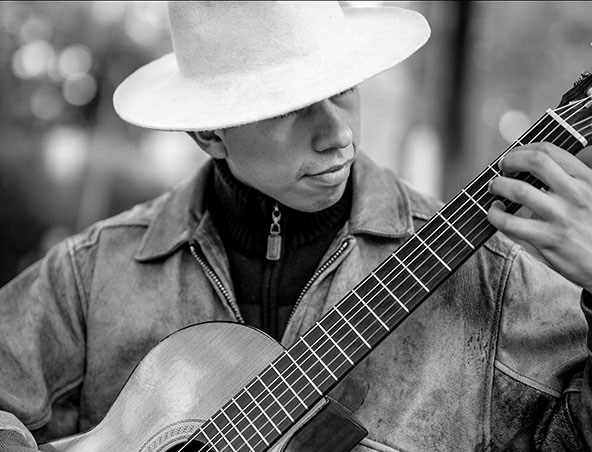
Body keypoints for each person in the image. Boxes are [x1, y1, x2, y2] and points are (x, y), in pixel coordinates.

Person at [1, 2, 592, 451]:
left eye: (344, 89)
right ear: (210, 131)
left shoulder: (494, 280)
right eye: (290, 106)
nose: (337, 134)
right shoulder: (89, 274)